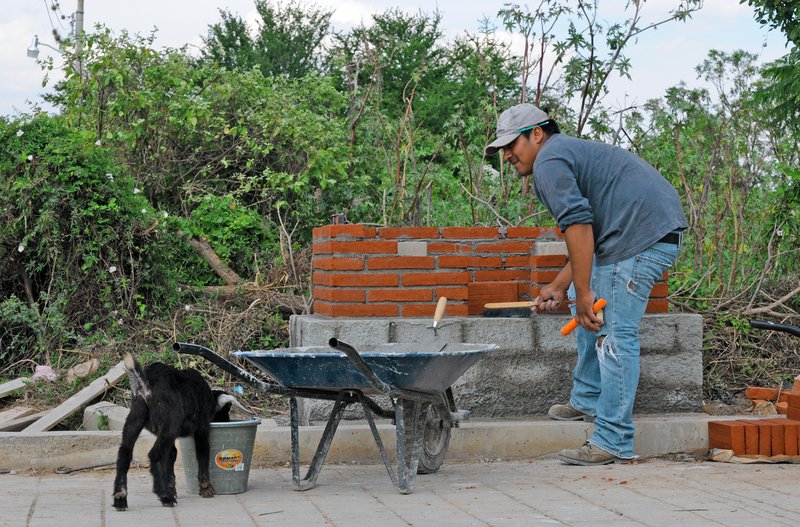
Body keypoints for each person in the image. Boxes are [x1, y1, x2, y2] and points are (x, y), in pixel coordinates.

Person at [485, 103, 688, 466]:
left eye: (511, 145)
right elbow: (586, 234)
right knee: (591, 311)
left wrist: (581, 293)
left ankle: (613, 440)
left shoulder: (549, 161)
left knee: (612, 333)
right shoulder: (563, 154)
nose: (508, 156)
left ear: (536, 134)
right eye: (502, 150)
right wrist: (564, 286)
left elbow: (579, 227)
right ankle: (588, 399)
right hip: (640, 232)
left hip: (639, 237)